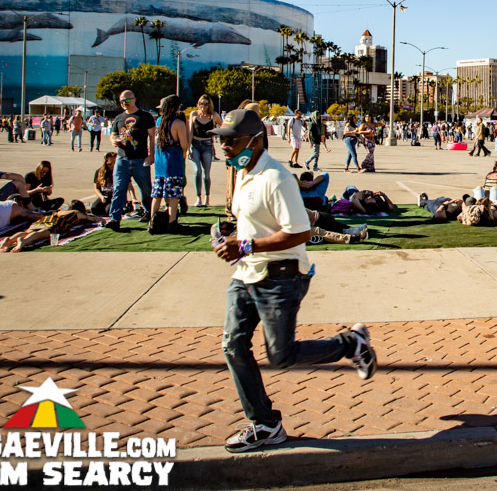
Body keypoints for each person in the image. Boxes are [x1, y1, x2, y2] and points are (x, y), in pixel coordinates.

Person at [209, 108, 377, 452]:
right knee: (232, 345)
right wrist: (230, 232)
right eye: (221, 141)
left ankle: (350, 344)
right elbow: (254, 220)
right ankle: (265, 424)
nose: (225, 148)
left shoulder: (276, 177)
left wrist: (245, 244)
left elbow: (299, 232)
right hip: (246, 273)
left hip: (281, 276)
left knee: (280, 356)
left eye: (232, 141)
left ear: (256, 141)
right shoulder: (242, 172)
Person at [106, 90, 155, 231]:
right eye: (121, 101)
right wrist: (114, 141)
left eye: (127, 101)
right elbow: (113, 135)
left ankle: (148, 212)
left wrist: (151, 155)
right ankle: (115, 218)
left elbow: (152, 137)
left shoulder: (145, 116)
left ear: (134, 99)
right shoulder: (119, 118)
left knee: (145, 188)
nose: (124, 104)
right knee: (119, 188)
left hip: (140, 158)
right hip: (122, 158)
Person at [0, 200, 106, 252]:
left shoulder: (60, 211)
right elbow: (92, 219)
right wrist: (100, 219)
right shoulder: (77, 213)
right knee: (40, 233)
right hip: (57, 223)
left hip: (46, 219)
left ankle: (10, 240)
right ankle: (24, 242)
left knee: (28, 231)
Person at [150, 94, 190, 232]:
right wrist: (188, 131)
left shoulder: (159, 121)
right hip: (173, 161)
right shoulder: (178, 123)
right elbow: (184, 145)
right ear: (177, 107)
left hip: (160, 161)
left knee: (157, 193)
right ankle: (172, 221)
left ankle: (152, 221)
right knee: (173, 194)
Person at [188, 94, 221, 208]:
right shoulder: (194, 114)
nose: (203, 106)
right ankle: (198, 198)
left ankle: (207, 197)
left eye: (206, 104)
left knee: (206, 174)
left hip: (207, 145)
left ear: (209, 105)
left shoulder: (214, 116)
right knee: (197, 171)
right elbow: (190, 132)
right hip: (195, 144)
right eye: (201, 104)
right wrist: (188, 148)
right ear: (198, 104)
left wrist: (216, 133)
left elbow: (223, 127)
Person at [92, 152, 117, 216]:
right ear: (106, 162)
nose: (112, 165)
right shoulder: (99, 171)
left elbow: (129, 186)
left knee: (109, 210)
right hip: (105, 195)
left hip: (116, 196)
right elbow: (96, 188)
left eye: (115, 163)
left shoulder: (120, 171)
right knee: (94, 209)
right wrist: (101, 196)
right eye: (110, 163)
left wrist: (133, 198)